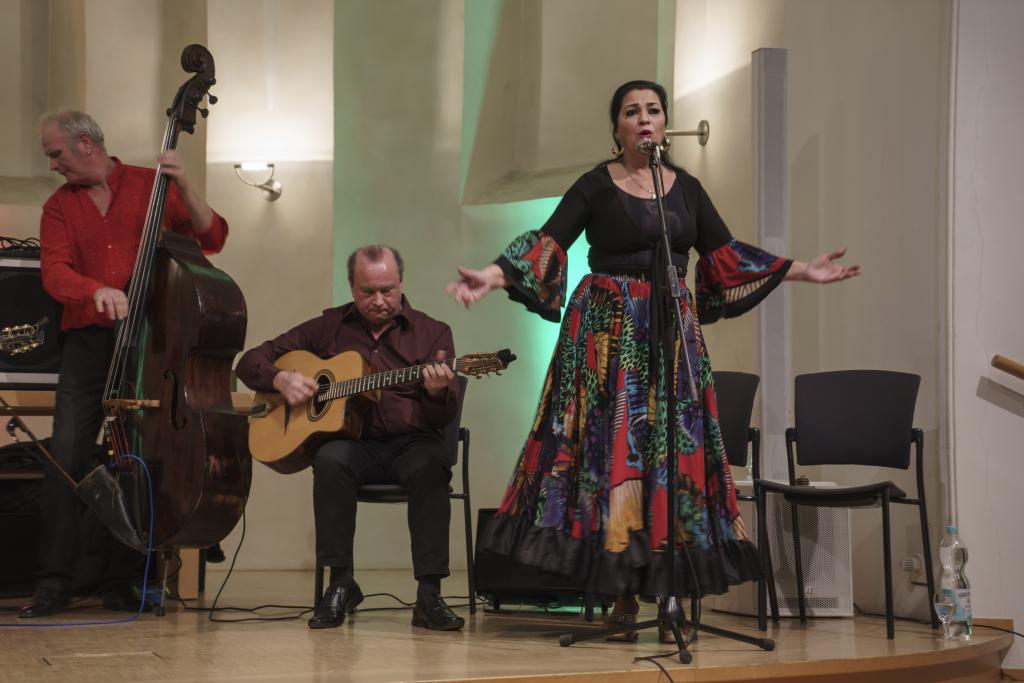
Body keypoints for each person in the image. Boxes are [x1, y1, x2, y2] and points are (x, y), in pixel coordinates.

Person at [447, 80, 859, 638]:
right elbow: (549, 243)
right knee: (615, 452)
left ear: (664, 124)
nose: (644, 118)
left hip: (671, 329)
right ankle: (619, 588)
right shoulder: (595, 184)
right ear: (616, 129)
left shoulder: (686, 189)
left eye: (654, 110)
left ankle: (668, 592)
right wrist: (493, 275)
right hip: (608, 332)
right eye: (631, 111)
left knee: (670, 453)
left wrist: (803, 270)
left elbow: (725, 256)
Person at [22, 110, 229, 618]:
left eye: (56, 153)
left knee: (137, 459)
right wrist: (96, 289)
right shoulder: (58, 207)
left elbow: (213, 237)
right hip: (89, 343)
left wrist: (185, 184)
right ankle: (53, 582)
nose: (53, 165)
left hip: (150, 343)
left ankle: (127, 579)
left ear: (86, 143)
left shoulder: (150, 186)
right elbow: (54, 273)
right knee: (67, 458)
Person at [235, 245, 466, 632]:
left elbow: (441, 420)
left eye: (387, 290)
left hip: (411, 442)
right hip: (354, 443)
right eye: (367, 292)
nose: (379, 301)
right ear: (351, 286)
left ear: (401, 282)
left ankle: (429, 594)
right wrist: (279, 378)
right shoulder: (328, 327)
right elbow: (249, 361)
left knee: (432, 464)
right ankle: (341, 583)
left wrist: (436, 392)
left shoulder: (432, 333)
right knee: (330, 459)